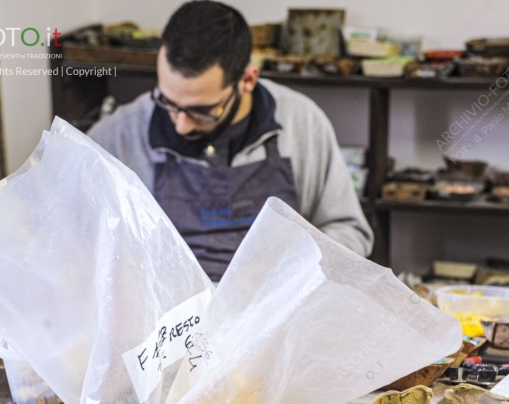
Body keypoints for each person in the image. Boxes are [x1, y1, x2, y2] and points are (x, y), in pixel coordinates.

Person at [88, 0, 373, 281]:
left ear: (247, 80)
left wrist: (293, 267)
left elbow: (350, 231)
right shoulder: (118, 135)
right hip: (168, 317)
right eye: (168, 101)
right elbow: (72, 233)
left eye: (201, 110)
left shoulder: (303, 124)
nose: (181, 125)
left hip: (274, 310)